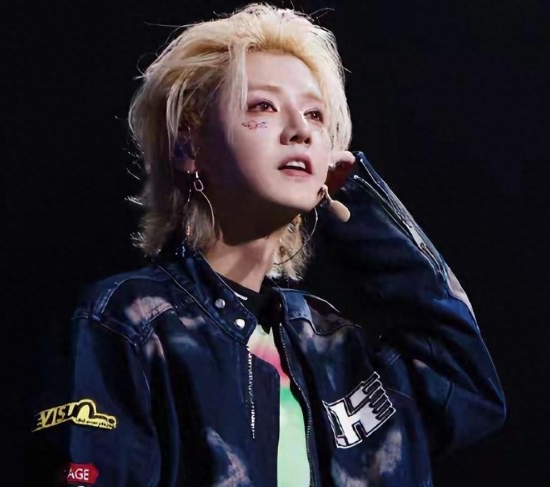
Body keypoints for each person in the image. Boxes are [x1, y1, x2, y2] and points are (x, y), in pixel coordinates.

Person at [28, 4, 506, 486]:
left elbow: (466, 388)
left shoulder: (333, 347)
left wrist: (359, 203)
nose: (300, 130)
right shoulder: (126, 321)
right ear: (189, 146)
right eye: (263, 106)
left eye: (315, 115)